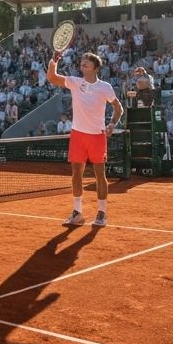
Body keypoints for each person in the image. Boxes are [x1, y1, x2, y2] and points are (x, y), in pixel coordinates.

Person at [46, 49, 123, 228]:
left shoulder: (105, 87)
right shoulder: (74, 82)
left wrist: (112, 125)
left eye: (86, 63)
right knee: (76, 175)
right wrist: (53, 60)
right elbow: (52, 77)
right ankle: (77, 212)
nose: (82, 65)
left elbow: (118, 108)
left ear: (95, 68)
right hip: (78, 135)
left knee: (99, 175)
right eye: (81, 63)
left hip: (97, 136)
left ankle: (102, 212)